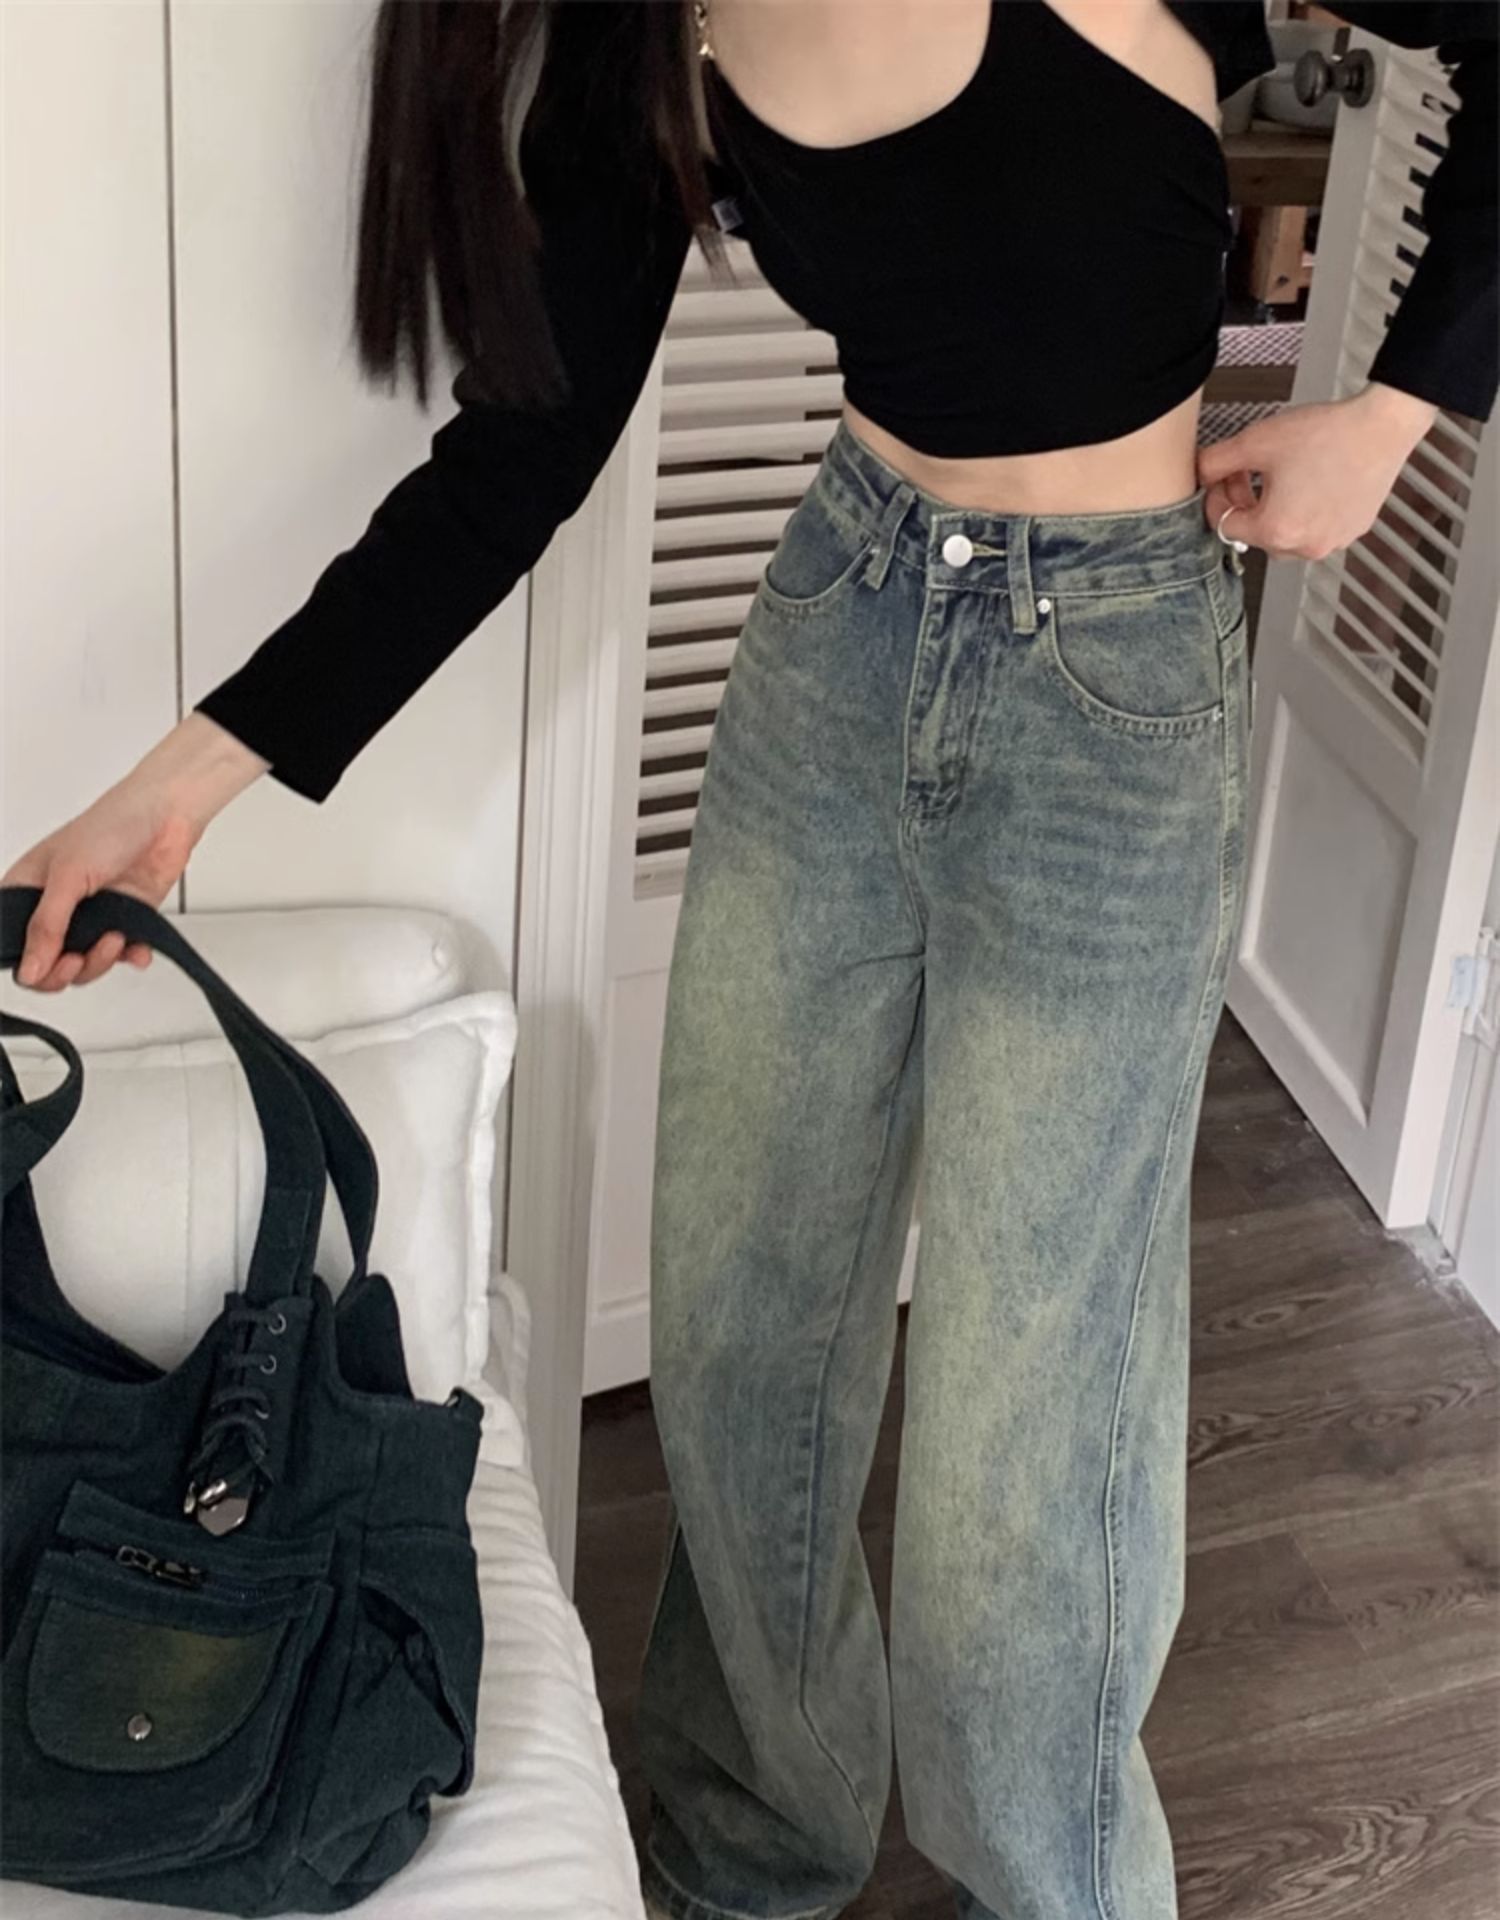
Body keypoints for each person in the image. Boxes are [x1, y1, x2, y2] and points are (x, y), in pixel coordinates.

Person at [4, 4, 1494, 1916]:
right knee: (738, 1331)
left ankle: (1059, 1886)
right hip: (837, 638)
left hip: (1113, 697)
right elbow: (523, 449)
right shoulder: (647, 33)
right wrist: (185, 784)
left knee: (1031, 1423)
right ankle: (754, 1848)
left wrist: (1398, 410)